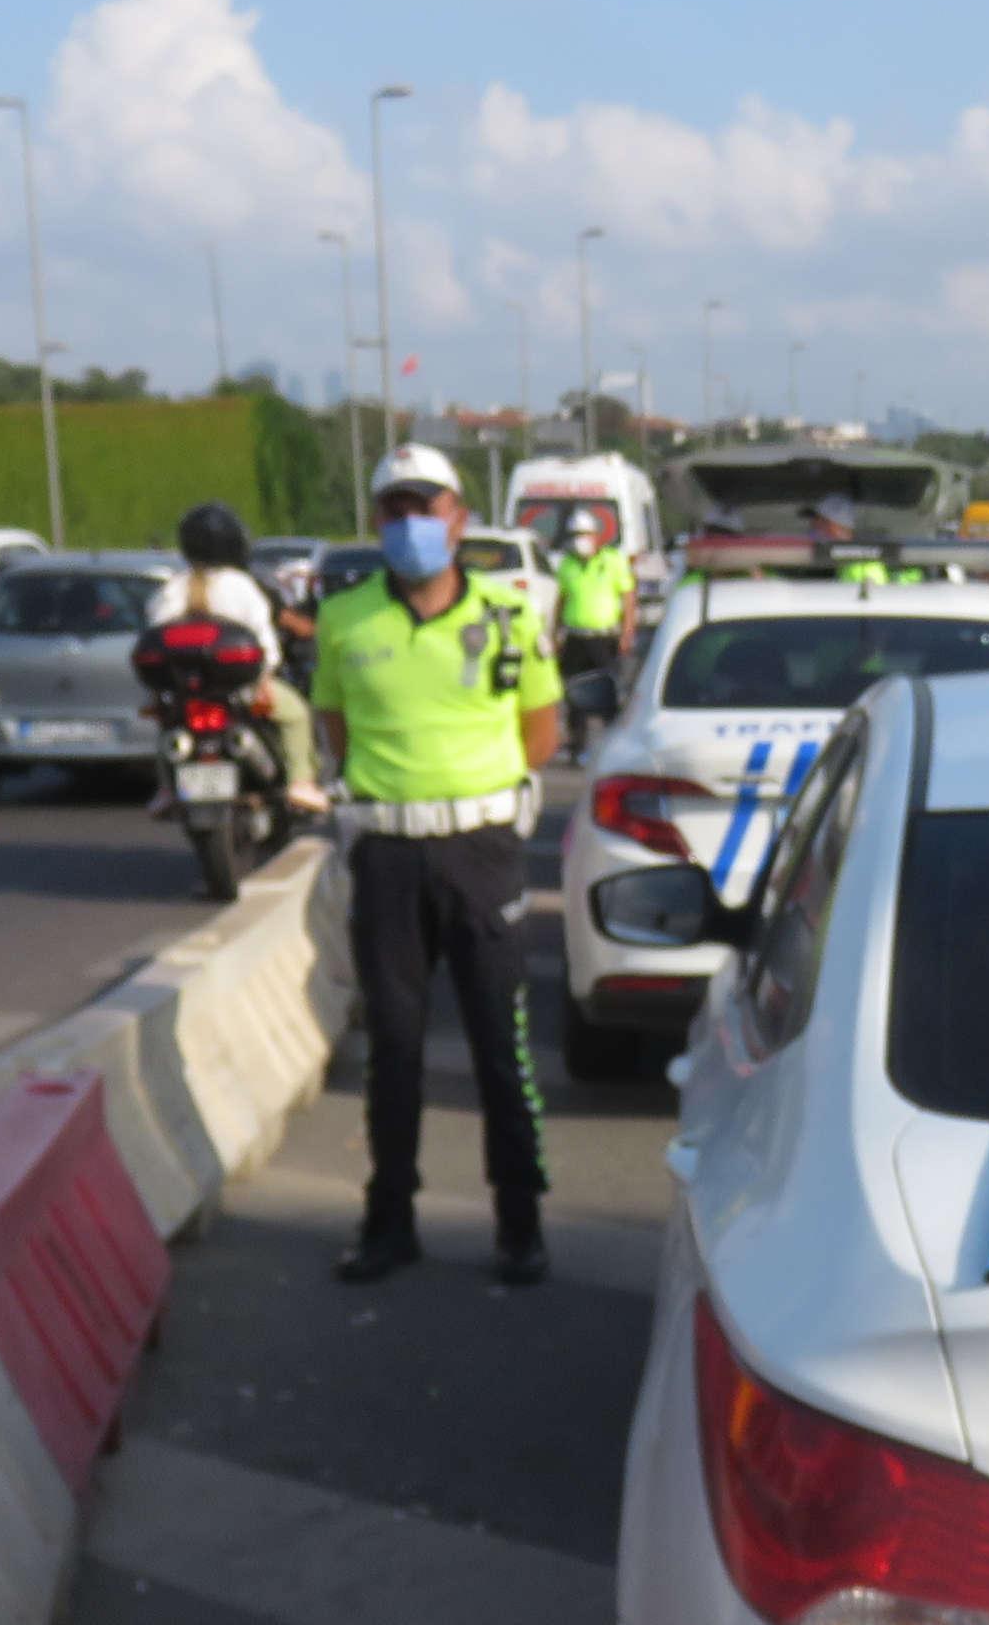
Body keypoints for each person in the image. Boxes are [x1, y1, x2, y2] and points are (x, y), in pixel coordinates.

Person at [312, 441, 563, 1288]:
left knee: (502, 1042)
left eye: (429, 506)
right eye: (396, 508)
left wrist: (480, 799)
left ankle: (520, 1224)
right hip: (387, 854)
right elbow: (336, 731)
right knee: (395, 1046)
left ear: (459, 517)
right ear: (377, 521)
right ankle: (389, 1223)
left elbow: (542, 729)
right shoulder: (345, 619)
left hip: (482, 852)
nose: (412, 523)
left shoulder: (508, 614)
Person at [147, 500, 328, 813]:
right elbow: (263, 639)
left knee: (166, 725)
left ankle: (166, 787)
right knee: (297, 713)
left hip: (185, 693)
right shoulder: (241, 586)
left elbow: (154, 637)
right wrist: (265, 677)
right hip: (240, 692)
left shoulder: (171, 589)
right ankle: (301, 783)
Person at [551, 507, 636, 756]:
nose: (580, 539)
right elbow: (561, 600)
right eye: (575, 534)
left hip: (604, 637)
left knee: (607, 691)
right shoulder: (567, 564)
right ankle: (578, 746)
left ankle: (611, 745)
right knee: (574, 693)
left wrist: (627, 632)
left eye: (584, 533)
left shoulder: (613, 561)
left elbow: (628, 598)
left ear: (597, 535)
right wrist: (555, 632)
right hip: (576, 637)